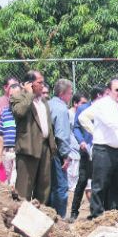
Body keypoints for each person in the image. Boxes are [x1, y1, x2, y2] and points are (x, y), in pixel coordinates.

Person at [78, 78, 118, 219]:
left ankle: (113, 216)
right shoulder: (102, 104)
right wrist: (95, 132)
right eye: (117, 90)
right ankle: (97, 216)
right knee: (100, 184)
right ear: (109, 91)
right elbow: (109, 122)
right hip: (103, 150)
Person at [11, 70, 57, 203]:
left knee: (44, 187)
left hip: (45, 147)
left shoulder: (44, 102)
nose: (43, 85)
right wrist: (29, 94)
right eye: (39, 83)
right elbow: (20, 112)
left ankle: (39, 213)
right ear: (30, 84)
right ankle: (21, 214)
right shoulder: (18, 97)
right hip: (28, 148)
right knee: (24, 188)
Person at [70, 86, 105, 221]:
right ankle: (74, 212)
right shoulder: (83, 109)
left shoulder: (107, 108)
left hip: (101, 150)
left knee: (99, 181)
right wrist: (82, 141)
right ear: (98, 96)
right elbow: (76, 128)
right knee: (83, 180)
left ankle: (96, 211)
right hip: (87, 150)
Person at [48, 79, 73, 218]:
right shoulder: (61, 109)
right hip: (57, 152)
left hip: (47, 151)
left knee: (51, 186)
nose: (71, 96)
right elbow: (62, 135)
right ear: (63, 94)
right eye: (70, 93)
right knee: (61, 186)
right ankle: (59, 218)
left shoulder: (48, 104)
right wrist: (65, 155)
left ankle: (49, 215)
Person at [0, 76, 19, 170]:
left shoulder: (23, 108)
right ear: (6, 87)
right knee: (1, 178)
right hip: (0, 148)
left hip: (17, 149)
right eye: (12, 86)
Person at [0, 83, 21, 187]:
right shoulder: (5, 112)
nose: (13, 98)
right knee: (5, 183)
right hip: (7, 152)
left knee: (15, 183)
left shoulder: (24, 113)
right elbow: (1, 135)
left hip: (19, 152)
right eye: (11, 95)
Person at [67, 93, 88, 198]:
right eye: (82, 103)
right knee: (72, 179)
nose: (84, 106)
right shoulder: (69, 114)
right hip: (71, 150)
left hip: (81, 149)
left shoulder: (84, 115)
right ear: (75, 103)